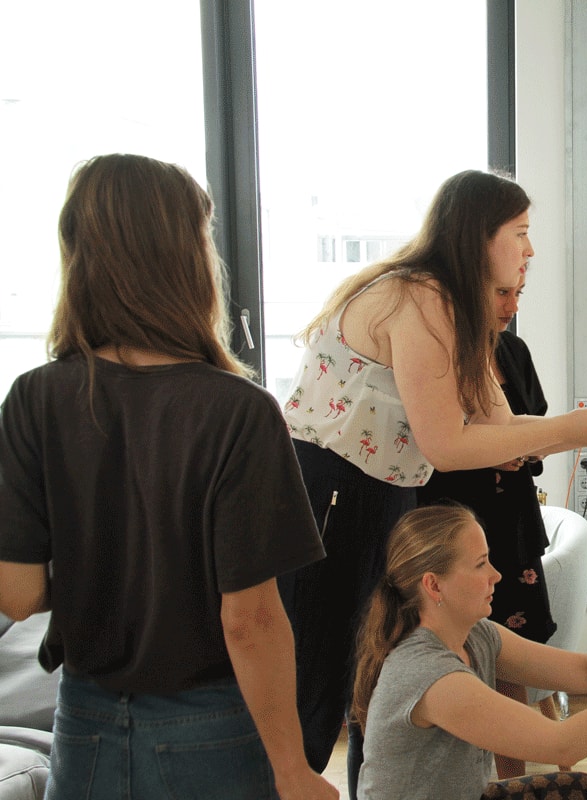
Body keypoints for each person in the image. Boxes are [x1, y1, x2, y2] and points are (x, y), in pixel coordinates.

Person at [279, 169, 587, 796]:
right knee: (323, 682)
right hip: (332, 493)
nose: (530, 251)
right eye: (519, 233)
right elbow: (447, 444)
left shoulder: (456, 310)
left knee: (374, 670)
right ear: (477, 237)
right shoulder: (422, 298)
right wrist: (573, 431)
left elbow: (498, 422)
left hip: (382, 490)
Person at [0, 154, 336, 799]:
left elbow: (16, 595)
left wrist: (100, 566)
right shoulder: (238, 410)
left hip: (85, 722)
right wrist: (293, 770)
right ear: (186, 256)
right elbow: (251, 619)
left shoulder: (32, 398)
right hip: (210, 726)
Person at [351, 504, 587, 800]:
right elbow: (563, 745)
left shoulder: (476, 635)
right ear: (434, 585)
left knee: (581, 790)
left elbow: (584, 671)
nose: (496, 575)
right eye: (480, 564)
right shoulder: (429, 676)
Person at [416, 270, 555, 779]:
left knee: (512, 658)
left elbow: (539, 426)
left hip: (512, 529)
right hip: (454, 526)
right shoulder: (436, 353)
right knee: (453, 654)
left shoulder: (514, 352)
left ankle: (513, 784)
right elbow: (435, 444)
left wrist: (523, 451)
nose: (510, 305)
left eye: (519, 293)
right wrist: (496, 450)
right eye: (501, 292)